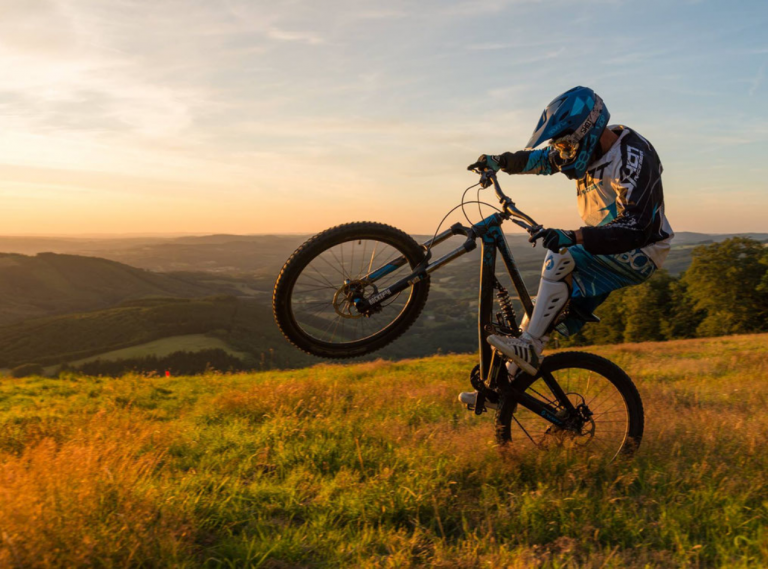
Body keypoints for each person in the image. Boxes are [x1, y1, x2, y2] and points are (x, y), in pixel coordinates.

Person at [460, 86, 673, 407]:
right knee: (539, 314)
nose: (563, 152)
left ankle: (528, 347)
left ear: (587, 130)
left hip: (642, 250)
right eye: (560, 144)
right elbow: (542, 160)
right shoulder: (578, 149)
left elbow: (637, 228)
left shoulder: (633, 157)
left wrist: (574, 237)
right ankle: (501, 393)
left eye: (566, 143)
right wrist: (500, 161)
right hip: (606, 246)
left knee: (561, 256)